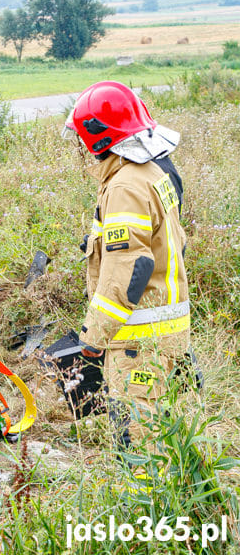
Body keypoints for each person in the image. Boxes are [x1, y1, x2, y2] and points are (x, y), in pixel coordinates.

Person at [64, 81, 190, 453]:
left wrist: (92, 339)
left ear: (97, 137)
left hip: (139, 341)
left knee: (140, 441)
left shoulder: (125, 186)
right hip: (162, 333)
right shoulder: (152, 171)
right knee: (163, 432)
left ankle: (147, 511)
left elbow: (128, 269)